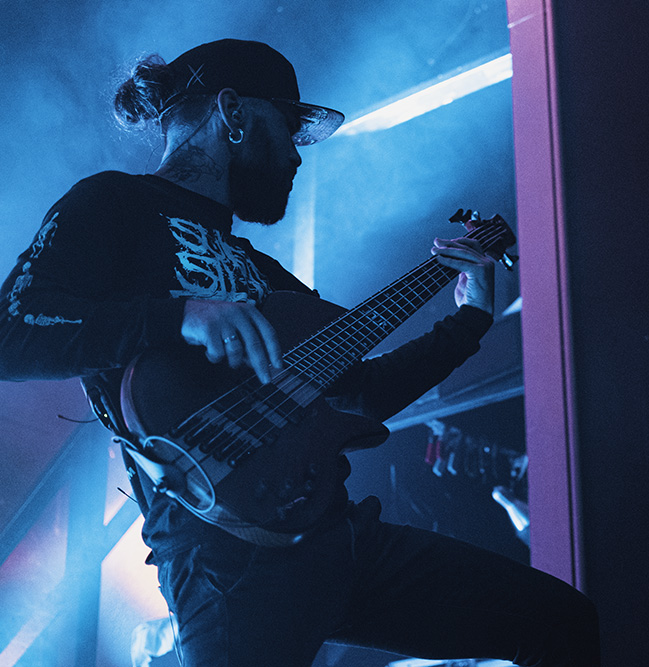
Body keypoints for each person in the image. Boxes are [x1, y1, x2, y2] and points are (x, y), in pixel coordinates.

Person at [0, 40, 599, 667]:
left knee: (561, 622)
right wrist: (179, 315)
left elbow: (355, 396)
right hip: (225, 560)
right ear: (233, 112)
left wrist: (469, 321)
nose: (294, 155)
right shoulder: (113, 203)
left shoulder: (266, 274)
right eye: (287, 128)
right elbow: (13, 332)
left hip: (336, 534)